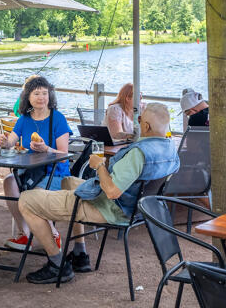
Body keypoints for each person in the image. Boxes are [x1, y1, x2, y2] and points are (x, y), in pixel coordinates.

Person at [18, 103, 179, 284]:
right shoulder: (171, 150)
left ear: (146, 126)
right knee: (67, 181)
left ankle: (57, 265)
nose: (138, 122)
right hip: (138, 209)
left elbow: (112, 192)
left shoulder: (139, 154)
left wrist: (100, 165)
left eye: (140, 119)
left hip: (110, 208)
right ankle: (80, 253)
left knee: (26, 200)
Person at [0, 76, 72, 251]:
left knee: (33, 195)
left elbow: (64, 154)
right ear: (28, 97)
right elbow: (11, 142)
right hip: (30, 171)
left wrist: (46, 149)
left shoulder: (58, 118)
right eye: (36, 93)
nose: (41, 97)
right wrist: (4, 142)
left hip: (55, 173)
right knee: (9, 181)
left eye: (45, 93)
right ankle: (24, 235)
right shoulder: (24, 119)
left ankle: (53, 234)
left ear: (50, 96)